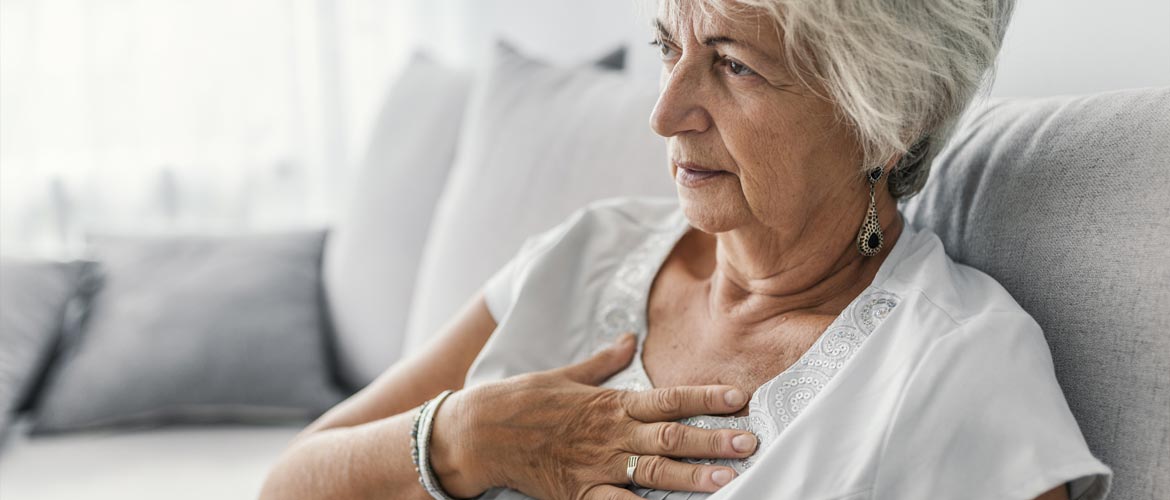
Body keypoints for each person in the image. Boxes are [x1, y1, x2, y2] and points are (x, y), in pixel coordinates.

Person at [261, 0, 1113, 498]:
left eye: (732, 64)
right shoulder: (586, 251)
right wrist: (466, 434)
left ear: (890, 116)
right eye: (669, 47)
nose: (664, 113)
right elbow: (287, 483)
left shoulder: (955, 365)